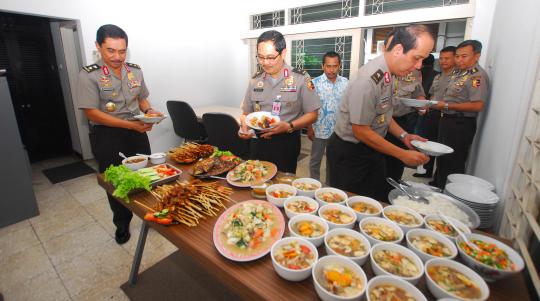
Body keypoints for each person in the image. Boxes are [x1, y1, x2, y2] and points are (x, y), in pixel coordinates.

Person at [327, 25, 432, 201]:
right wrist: (402, 154)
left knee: (373, 198)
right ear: (399, 50)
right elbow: (361, 131)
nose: (419, 66)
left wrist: (404, 135)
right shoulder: (368, 80)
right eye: (417, 58)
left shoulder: (388, 74)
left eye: (422, 60)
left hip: (372, 148)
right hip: (351, 155)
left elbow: (383, 114)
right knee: (349, 204)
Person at [77, 24, 162, 244]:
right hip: (107, 135)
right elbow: (92, 113)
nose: (117, 56)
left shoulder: (135, 70)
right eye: (111, 50)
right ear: (98, 47)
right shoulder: (89, 76)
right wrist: (130, 126)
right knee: (115, 181)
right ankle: (122, 224)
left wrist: (149, 111)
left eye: (122, 51)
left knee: (147, 175)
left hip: (136, 130)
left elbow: (141, 98)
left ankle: (148, 215)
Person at [239, 30, 321, 173]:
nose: (265, 62)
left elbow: (313, 114)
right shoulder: (255, 79)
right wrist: (243, 128)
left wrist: (289, 126)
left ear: (283, 53)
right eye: (261, 57)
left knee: (282, 189)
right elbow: (246, 113)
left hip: (286, 144)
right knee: (256, 185)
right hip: (258, 144)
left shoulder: (301, 78)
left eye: (270, 57)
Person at [430, 40, 489, 188]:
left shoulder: (476, 77)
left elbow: (478, 105)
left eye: (464, 56)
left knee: (454, 161)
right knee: (442, 157)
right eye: (457, 56)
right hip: (446, 120)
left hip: (460, 124)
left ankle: (449, 193)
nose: (459, 60)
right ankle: (439, 185)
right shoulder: (457, 72)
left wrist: (448, 105)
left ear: (477, 56)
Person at [415, 46, 456, 178]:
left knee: (442, 147)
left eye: (447, 58)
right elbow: (432, 95)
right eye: (442, 58)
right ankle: (426, 171)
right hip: (432, 113)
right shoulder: (438, 76)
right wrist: (426, 106)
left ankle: (440, 177)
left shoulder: (457, 77)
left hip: (447, 115)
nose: (443, 61)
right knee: (429, 143)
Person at [307, 51, 348, 183]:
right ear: (322, 66)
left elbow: (348, 107)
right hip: (319, 129)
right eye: (328, 66)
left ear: (339, 66)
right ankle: (314, 186)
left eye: (335, 66)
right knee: (315, 161)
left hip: (338, 131)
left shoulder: (346, 83)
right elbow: (309, 107)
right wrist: (309, 127)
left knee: (333, 162)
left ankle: (330, 188)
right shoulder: (314, 83)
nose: (331, 70)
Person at [384, 68, 426, 190]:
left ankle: (393, 186)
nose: (419, 64)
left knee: (397, 161)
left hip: (403, 120)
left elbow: (419, 93)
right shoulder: (381, 71)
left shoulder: (415, 72)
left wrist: (422, 105)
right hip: (380, 120)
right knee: (379, 156)